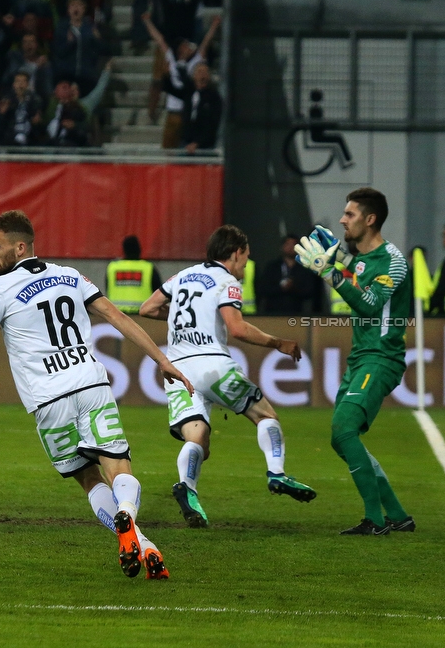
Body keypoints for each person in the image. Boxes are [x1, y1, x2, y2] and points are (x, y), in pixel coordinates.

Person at [0, 210, 192, 580]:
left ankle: (140, 542)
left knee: (90, 480)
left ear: (20, 246)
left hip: (47, 400)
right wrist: (162, 359)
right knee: (118, 466)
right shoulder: (70, 275)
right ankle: (133, 522)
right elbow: (118, 317)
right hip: (91, 385)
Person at [138, 224, 317, 528]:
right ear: (236, 253)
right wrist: (278, 343)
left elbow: (147, 308)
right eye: (246, 257)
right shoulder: (227, 281)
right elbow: (237, 328)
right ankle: (276, 472)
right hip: (213, 366)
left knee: (197, 437)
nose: (246, 264)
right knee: (265, 415)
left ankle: (188, 489)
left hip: (178, 369)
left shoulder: (182, 275)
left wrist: (192, 316)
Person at [296, 188, 415, 535]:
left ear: (370, 219)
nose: (343, 220)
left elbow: (368, 302)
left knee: (344, 429)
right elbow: (360, 272)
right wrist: (340, 260)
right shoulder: (364, 258)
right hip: (361, 357)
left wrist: (328, 272)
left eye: (349, 215)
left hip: (382, 358)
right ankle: (397, 514)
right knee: (340, 437)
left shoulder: (394, 261)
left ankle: (374, 521)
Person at [141, 11, 220, 149]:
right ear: (180, 50)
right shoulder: (174, 59)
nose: (189, 47)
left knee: (180, 148)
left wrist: (214, 26)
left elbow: (206, 43)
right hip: (176, 111)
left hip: (186, 112)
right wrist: (148, 22)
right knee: (169, 150)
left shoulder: (193, 60)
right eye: (185, 45)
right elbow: (159, 39)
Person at [257, 234, 319, 314]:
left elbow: (309, 291)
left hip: (296, 314)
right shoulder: (272, 267)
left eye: (293, 245)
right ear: (282, 247)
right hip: (273, 314)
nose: (290, 248)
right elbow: (263, 289)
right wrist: (281, 288)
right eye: (287, 244)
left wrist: (293, 287)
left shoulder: (304, 268)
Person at [106, 235, 161, 314]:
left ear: (123, 250)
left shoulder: (112, 267)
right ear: (139, 249)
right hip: (142, 316)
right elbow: (159, 294)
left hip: (117, 316)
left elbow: (107, 289)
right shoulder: (148, 267)